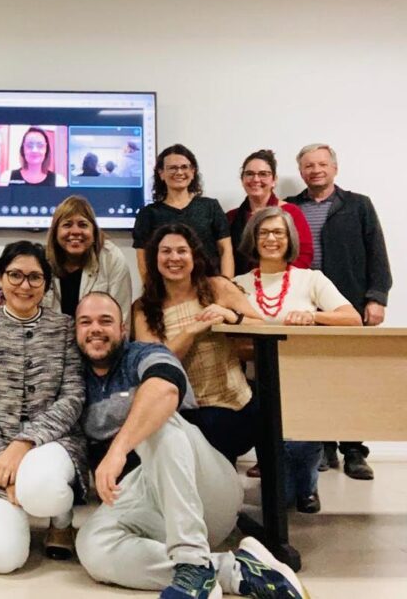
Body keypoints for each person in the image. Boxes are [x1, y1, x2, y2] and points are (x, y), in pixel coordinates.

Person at [74, 292, 309, 598]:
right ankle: (231, 571)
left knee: (157, 419)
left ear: (122, 329)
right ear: (76, 331)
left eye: (106, 321)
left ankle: (192, 561)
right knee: (92, 545)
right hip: (147, 502)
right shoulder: (75, 378)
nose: (95, 328)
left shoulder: (143, 354)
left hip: (206, 488)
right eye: (85, 322)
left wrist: (118, 449)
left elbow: (165, 390)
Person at [0, 241, 88, 573]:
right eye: (15, 275)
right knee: (1, 560)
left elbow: (73, 397)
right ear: (0, 279)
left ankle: (61, 519)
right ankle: (19, 509)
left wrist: (24, 444)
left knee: (42, 490)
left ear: (46, 284)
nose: (24, 285)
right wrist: (2, 463)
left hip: (53, 443)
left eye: (35, 277)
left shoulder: (64, 327)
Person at [234, 207, 362, 513]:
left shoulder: (311, 279)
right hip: (254, 382)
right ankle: (282, 482)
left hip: (302, 382)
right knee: (280, 494)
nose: (271, 239)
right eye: (263, 233)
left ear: (289, 238)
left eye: (278, 232)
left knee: (296, 484)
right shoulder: (237, 283)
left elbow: (352, 318)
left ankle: (307, 485)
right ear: (253, 238)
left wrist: (313, 316)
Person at [287, 143, 392, 480]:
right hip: (305, 305)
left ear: (334, 168)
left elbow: (377, 251)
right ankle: (321, 447)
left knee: (351, 379)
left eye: (321, 164)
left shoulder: (357, 205)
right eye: (308, 166)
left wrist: (376, 297)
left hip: (348, 304)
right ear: (301, 171)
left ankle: (354, 451)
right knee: (310, 377)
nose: (315, 170)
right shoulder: (291, 208)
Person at [133, 224, 262, 465]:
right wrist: (191, 330)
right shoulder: (143, 308)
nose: (174, 258)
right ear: (155, 258)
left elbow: (262, 327)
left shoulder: (218, 287)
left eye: (182, 251)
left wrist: (231, 315)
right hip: (181, 413)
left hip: (235, 406)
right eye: (166, 251)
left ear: (194, 256)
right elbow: (153, 363)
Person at [133, 144, 234, 279]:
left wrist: (226, 285)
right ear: (161, 173)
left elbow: (225, 250)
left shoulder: (211, 206)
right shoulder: (148, 214)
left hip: (210, 288)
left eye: (184, 167)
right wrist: (152, 293)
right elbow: (143, 260)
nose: (179, 172)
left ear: (193, 172)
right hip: (168, 291)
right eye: (172, 168)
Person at [43, 195, 132, 328]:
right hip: (53, 344)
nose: (75, 231)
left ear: (94, 231)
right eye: (67, 225)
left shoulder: (112, 258)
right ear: (55, 233)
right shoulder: (42, 262)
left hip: (98, 342)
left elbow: (121, 321)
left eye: (83, 225)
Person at [227, 149, 313, 276]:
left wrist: (279, 280)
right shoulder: (231, 217)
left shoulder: (290, 212)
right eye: (249, 174)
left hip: (283, 285)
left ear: (274, 179)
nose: (256, 179)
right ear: (242, 179)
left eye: (263, 174)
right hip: (241, 287)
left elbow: (304, 254)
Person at [0, 127, 67, 187]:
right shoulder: (6, 178)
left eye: (40, 145)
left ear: (46, 150)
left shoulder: (59, 181)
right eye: (29, 145)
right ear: (23, 149)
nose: (34, 150)